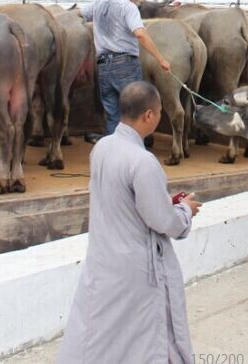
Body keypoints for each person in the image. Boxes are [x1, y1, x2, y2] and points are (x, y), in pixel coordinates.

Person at [57, 81, 202, 364]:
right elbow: (163, 221)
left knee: (99, 338)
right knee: (142, 343)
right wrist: (184, 210)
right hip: (136, 272)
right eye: (159, 112)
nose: (159, 116)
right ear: (148, 115)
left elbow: (123, 198)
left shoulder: (102, 147)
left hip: (104, 262)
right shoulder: (143, 161)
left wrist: (165, 200)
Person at [80, 0, 171, 145]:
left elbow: (80, 14)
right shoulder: (128, 7)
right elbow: (140, 34)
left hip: (104, 66)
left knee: (112, 114)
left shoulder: (99, 4)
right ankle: (135, 152)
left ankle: (115, 152)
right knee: (135, 111)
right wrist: (161, 59)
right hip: (125, 65)